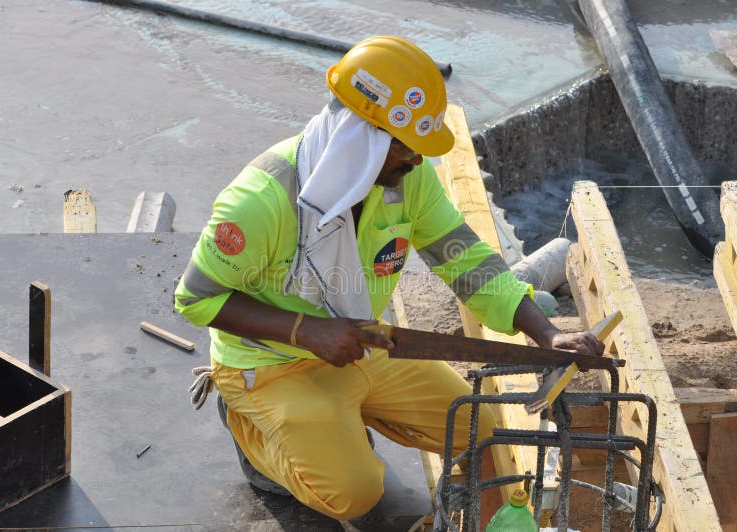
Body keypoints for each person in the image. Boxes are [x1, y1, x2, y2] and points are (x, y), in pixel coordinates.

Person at [174, 35, 604, 521]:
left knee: (475, 427)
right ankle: (252, 432)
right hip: (269, 364)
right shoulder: (261, 199)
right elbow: (196, 297)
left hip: (360, 343)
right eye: (408, 149)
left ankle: (338, 419)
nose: (418, 160)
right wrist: (306, 331)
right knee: (352, 494)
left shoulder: (407, 181)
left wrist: (546, 333)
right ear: (363, 137)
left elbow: (463, 260)